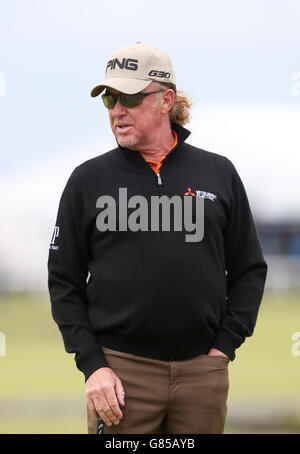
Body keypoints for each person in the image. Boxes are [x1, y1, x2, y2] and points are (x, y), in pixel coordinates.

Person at [47, 42, 268, 434]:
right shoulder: (87, 181)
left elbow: (250, 269)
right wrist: (93, 365)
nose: (117, 110)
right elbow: (64, 282)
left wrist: (223, 349)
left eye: (129, 97)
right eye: (110, 99)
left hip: (203, 372)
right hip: (119, 376)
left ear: (166, 100)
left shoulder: (219, 173)